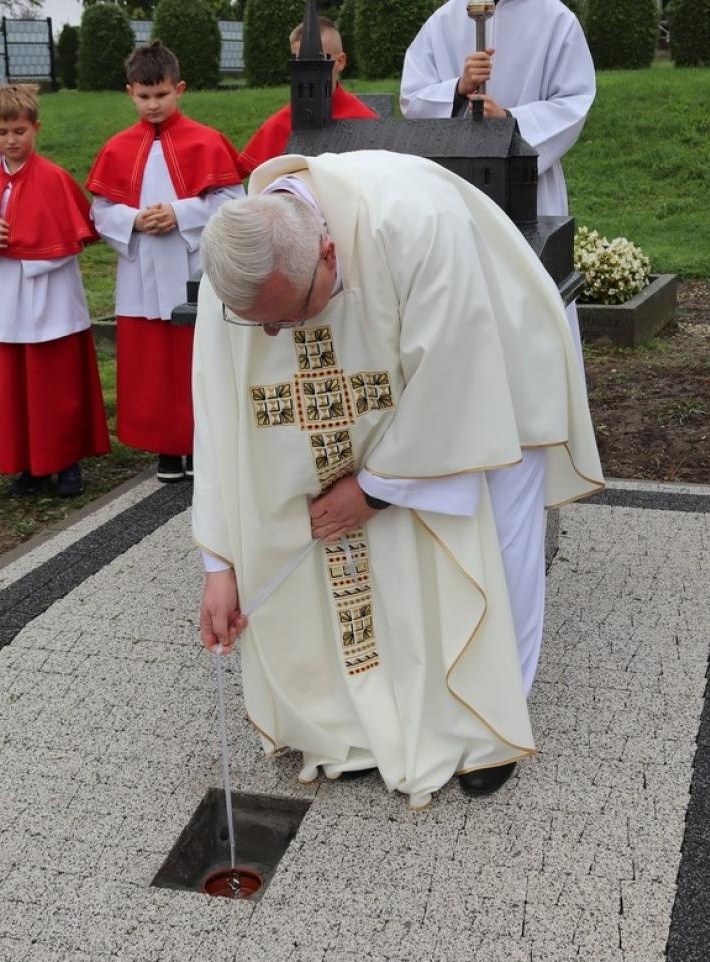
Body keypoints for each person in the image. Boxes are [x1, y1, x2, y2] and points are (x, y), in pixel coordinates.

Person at [193, 151, 603, 810]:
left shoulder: (414, 222)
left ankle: (490, 731)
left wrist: (374, 488)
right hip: (414, 391)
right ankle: (364, 724)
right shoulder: (239, 263)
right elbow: (217, 418)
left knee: (496, 549)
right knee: (375, 559)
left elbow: (456, 378)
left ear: (329, 254)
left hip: (498, 370)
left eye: (290, 316)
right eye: (261, 325)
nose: (275, 333)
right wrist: (220, 560)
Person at [0, 84, 110, 498]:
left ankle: (66, 462)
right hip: (5, 299)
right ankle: (28, 464)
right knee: (12, 383)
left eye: (19, 131)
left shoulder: (54, 179)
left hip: (49, 298)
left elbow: (69, 242)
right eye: (2, 132)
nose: (11, 141)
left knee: (55, 383)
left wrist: (19, 240)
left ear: (35, 128)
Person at [87, 42, 244, 482]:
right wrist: (133, 219)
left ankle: (199, 442)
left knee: (195, 357)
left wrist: (179, 213)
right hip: (140, 270)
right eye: (143, 96)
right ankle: (164, 448)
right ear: (129, 93)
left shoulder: (206, 141)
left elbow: (232, 202)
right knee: (150, 365)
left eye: (161, 95)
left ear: (179, 90)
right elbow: (99, 211)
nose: (153, 105)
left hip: (190, 266)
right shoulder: (118, 148)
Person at [399, 0, 595, 219]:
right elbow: (412, 98)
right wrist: (457, 89)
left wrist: (509, 119)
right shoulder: (445, 19)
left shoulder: (556, 19)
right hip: (458, 181)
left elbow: (574, 101)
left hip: (527, 182)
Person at [238, 17, 377, 174]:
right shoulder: (280, 123)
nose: (307, 70)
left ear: (340, 62)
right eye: (299, 61)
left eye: (318, 59)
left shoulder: (363, 118)